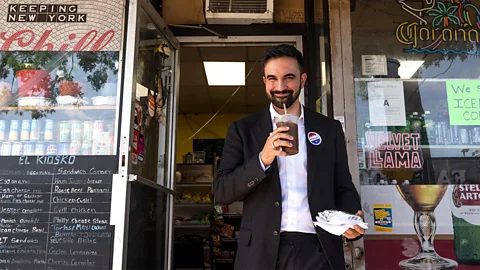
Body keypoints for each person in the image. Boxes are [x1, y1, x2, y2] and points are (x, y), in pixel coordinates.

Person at [214, 44, 364, 270]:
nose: (280, 86)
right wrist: (262, 158)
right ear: (264, 81)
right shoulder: (243, 130)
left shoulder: (328, 129)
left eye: (289, 77)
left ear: (302, 80)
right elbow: (222, 191)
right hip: (260, 252)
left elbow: (343, 185)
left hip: (318, 249)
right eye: (272, 78)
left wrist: (351, 217)